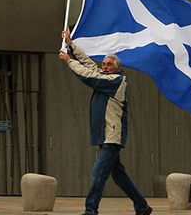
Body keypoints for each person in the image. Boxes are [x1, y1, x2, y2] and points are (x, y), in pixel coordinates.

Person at [59, 28, 152, 215]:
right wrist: (70, 45)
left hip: (111, 136)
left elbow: (89, 76)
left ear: (116, 67)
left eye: (109, 64)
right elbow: (88, 64)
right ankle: (142, 207)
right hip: (104, 135)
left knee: (98, 173)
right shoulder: (105, 76)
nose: (105, 66)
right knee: (119, 176)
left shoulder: (116, 81)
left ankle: (90, 210)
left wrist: (69, 61)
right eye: (104, 63)